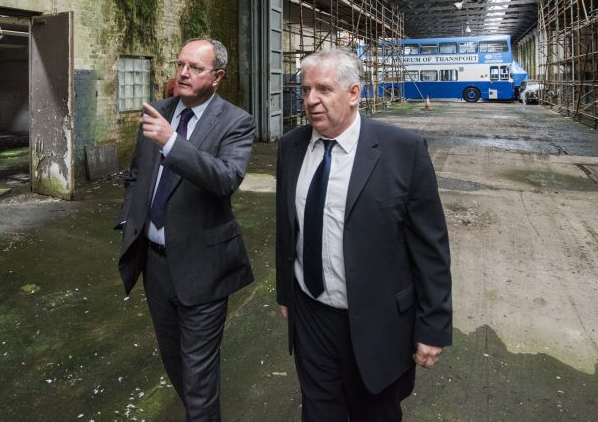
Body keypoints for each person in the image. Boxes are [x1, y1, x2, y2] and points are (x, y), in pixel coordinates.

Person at [275, 47, 452, 421]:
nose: (311, 100)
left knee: (375, 412)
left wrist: (433, 326)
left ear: (354, 94)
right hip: (311, 315)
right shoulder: (291, 147)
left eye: (323, 89)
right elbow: (286, 227)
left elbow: (430, 248)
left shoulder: (403, 151)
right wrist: (285, 292)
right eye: (305, 90)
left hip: (377, 321)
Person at [117, 37, 256, 421]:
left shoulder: (235, 122)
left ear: (218, 76)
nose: (184, 73)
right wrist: (131, 218)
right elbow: (135, 175)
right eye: (181, 64)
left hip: (203, 267)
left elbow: (226, 178)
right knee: (175, 364)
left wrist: (172, 142)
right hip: (157, 266)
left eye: (195, 68)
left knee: (198, 380)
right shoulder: (158, 111)